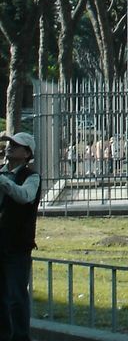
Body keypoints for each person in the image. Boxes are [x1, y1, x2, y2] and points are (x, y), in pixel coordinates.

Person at [0, 131, 41, 341]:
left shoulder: (32, 177)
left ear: (27, 154)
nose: (10, 147)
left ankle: (20, 337)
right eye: (9, 144)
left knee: (16, 297)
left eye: (16, 145)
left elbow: (24, 196)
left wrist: (3, 181)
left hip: (18, 246)